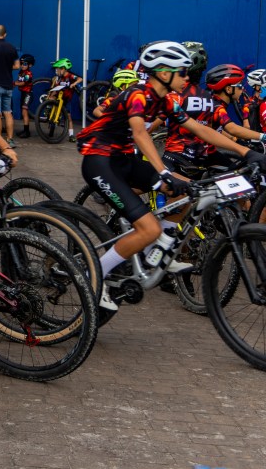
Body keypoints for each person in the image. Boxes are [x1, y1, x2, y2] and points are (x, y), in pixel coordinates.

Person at [76, 41, 266, 315]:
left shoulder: (164, 100)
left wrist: (245, 153)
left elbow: (197, 128)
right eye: (183, 72)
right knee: (148, 228)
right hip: (100, 162)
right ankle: (92, 279)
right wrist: (164, 172)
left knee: (188, 194)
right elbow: (141, 134)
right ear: (164, 73)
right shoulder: (138, 95)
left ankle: (159, 250)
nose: (187, 78)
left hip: (123, 161)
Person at [48, 58, 83, 139]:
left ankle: (71, 135)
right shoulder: (59, 78)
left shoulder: (70, 75)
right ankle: (48, 111)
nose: (57, 71)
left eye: (58, 69)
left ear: (63, 69)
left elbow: (80, 78)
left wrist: (74, 83)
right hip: (59, 97)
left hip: (66, 99)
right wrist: (51, 95)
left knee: (68, 117)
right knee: (51, 98)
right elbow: (56, 88)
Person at [14, 54, 36, 138]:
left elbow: (23, 83)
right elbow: (18, 81)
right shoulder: (21, 72)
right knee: (23, 113)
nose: (22, 65)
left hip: (28, 94)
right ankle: (24, 130)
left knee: (24, 111)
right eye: (21, 63)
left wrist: (14, 83)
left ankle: (27, 132)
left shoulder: (28, 74)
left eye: (25, 64)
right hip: (23, 94)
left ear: (30, 65)